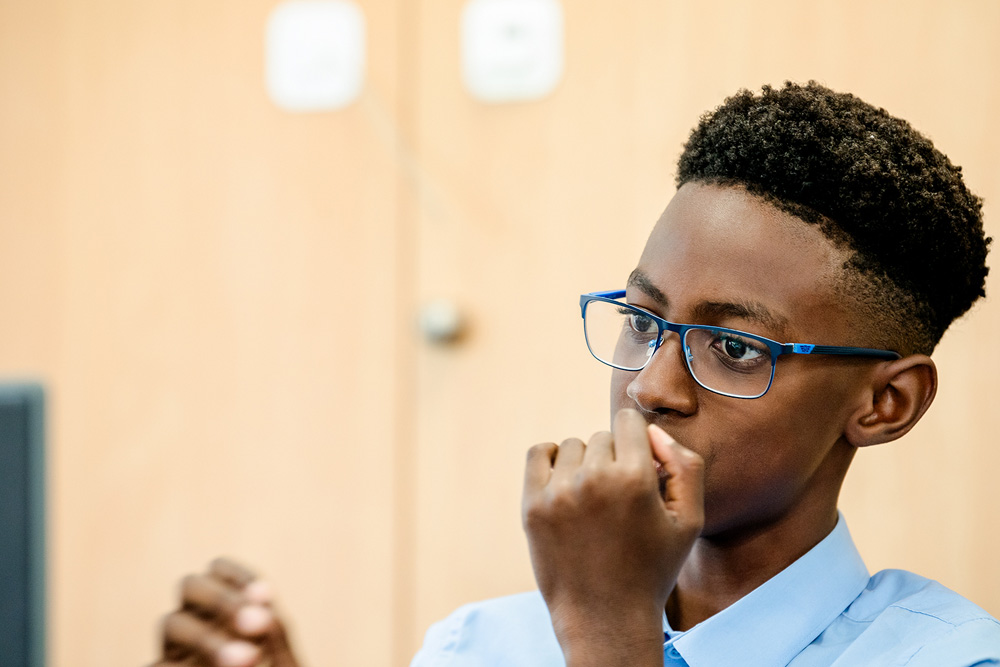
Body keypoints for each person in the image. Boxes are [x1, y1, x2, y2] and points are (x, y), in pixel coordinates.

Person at [151, 81, 999, 667]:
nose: (650, 387)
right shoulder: (478, 646)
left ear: (886, 403)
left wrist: (605, 634)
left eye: (735, 348)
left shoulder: (948, 654)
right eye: (642, 321)